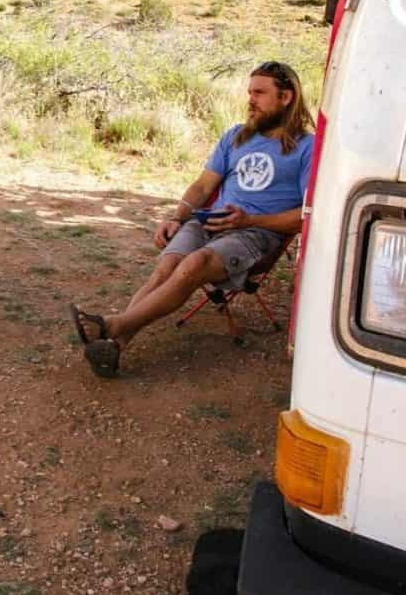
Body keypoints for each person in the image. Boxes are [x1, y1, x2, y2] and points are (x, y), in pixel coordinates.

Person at [70, 61, 313, 377]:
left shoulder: (308, 148)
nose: (250, 100)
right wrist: (176, 217)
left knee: (193, 265)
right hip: (210, 222)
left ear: (286, 97)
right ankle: (115, 346)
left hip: (255, 235)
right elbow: (203, 186)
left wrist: (250, 220)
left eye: (260, 93)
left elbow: (305, 215)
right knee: (165, 268)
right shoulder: (236, 137)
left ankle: (112, 324)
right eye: (249, 92)